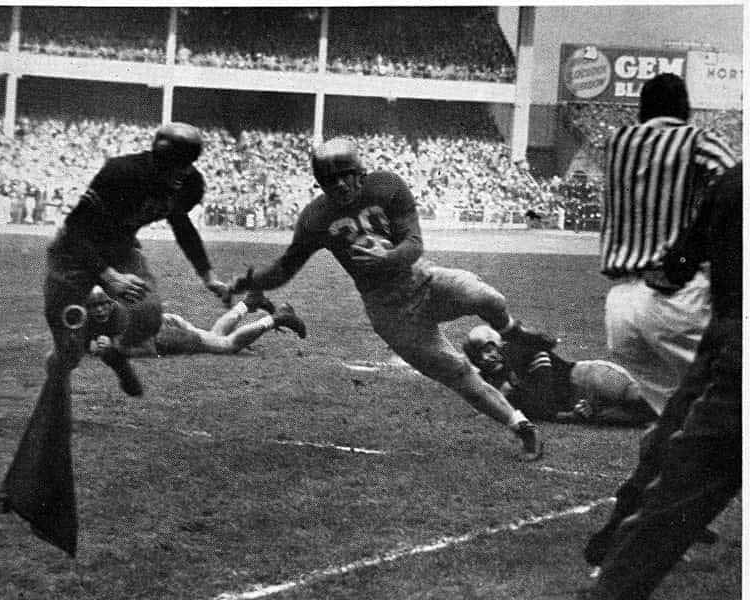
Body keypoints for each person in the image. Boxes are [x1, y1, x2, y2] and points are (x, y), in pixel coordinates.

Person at [225, 137, 557, 461]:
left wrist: (388, 258)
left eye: (345, 175)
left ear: (360, 172)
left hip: (423, 280)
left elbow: (414, 244)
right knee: (456, 372)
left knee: (486, 296)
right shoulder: (316, 217)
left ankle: (512, 331)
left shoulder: (386, 187)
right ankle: (521, 426)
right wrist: (249, 281)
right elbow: (286, 267)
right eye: (330, 180)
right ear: (320, 184)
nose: (340, 185)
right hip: (389, 312)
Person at [576, 162, 742, 600]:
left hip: (730, 349)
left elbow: (676, 267)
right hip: (728, 348)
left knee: (676, 484)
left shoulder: (734, 181)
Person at [44, 122, 227, 396]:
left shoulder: (187, 182)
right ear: (159, 160)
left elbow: (182, 224)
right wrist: (108, 276)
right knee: (69, 352)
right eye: (175, 166)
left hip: (120, 249)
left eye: (186, 165)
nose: (180, 175)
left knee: (149, 314)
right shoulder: (122, 173)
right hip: (73, 253)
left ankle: (115, 354)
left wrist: (208, 275)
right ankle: (69, 371)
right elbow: (75, 229)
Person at [599, 73, 735, 416]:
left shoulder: (617, 142)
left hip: (620, 309)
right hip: (677, 294)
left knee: (675, 416)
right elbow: (736, 187)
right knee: (727, 400)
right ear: (685, 108)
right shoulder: (699, 141)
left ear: (643, 109)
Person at [463, 325, 657, 425]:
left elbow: (543, 402)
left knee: (647, 401)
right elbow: (536, 410)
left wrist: (567, 415)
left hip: (588, 378)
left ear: (499, 345)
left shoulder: (522, 354)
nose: (486, 358)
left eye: (488, 350)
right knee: (643, 416)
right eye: (479, 355)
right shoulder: (495, 382)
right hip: (577, 402)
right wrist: (572, 415)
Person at [83, 285, 306, 357]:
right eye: (94, 306)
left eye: (103, 304)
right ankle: (248, 302)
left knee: (227, 345)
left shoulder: (119, 316)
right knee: (214, 336)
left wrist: (112, 347)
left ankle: (276, 319)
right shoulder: (101, 315)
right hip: (167, 324)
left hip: (166, 337)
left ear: (111, 303)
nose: (100, 309)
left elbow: (148, 349)